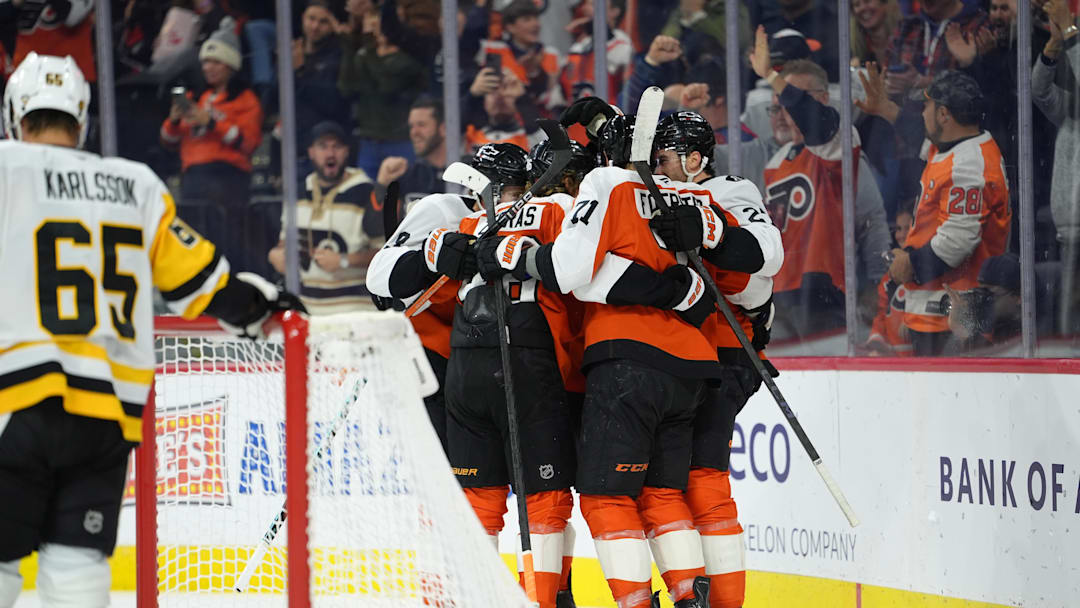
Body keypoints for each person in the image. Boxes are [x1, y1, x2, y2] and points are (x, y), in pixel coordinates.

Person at [0, 53, 299, 608]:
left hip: (14, 402)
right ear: (82, 117)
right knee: (77, 570)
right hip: (106, 418)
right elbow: (203, 287)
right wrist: (262, 302)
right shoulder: (133, 184)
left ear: (14, 114)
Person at [499, 104, 717, 608]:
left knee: (605, 496)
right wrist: (678, 289)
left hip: (628, 361)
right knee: (662, 494)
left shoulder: (606, 183)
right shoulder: (686, 193)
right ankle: (691, 598)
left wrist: (519, 256)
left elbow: (569, 271)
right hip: (690, 364)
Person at [431, 143, 579, 608]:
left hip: (465, 365)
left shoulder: (464, 226)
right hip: (525, 361)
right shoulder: (555, 208)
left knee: (477, 495)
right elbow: (575, 266)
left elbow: (431, 289)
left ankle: (477, 599)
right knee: (544, 498)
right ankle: (544, 599)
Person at [645, 110, 782, 608]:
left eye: (663, 159)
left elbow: (766, 260)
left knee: (700, 477)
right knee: (669, 481)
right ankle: (695, 595)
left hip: (724, 351)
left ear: (695, 159)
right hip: (682, 353)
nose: (656, 169)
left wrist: (711, 234)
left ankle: (718, 601)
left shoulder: (728, 190)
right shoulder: (652, 196)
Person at [748, 28, 890, 348]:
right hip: (777, 294)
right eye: (781, 100)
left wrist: (876, 281)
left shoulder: (839, 143)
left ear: (823, 99)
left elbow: (872, 220)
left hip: (824, 290)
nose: (789, 106)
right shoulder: (776, 161)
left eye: (794, 96)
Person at [881, 70, 1012, 356]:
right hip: (937, 313)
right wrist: (885, 109)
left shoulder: (970, 164)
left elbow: (956, 243)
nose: (921, 113)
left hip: (955, 319)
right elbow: (917, 132)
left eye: (926, 105)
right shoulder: (954, 146)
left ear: (943, 114)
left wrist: (910, 264)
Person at [160, 21, 264, 274]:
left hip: (228, 182)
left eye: (216, 62)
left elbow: (248, 143)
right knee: (194, 244)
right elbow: (167, 142)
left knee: (225, 245)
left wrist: (212, 123)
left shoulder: (246, 100)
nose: (208, 67)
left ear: (231, 65)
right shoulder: (197, 98)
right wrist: (174, 120)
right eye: (206, 62)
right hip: (193, 181)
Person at [268, 121, 383, 315]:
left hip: (357, 312)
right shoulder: (296, 194)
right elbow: (284, 244)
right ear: (311, 152)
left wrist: (344, 260)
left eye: (336, 146)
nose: (330, 154)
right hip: (306, 311)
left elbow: (386, 254)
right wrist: (275, 255)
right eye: (323, 146)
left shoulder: (368, 194)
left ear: (346, 151)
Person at [1032, 0, 1080, 333]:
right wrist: (1053, 45)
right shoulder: (1071, 113)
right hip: (1068, 237)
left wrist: (1072, 31)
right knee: (1070, 330)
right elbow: (1039, 90)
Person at [338, 4, 428, 178]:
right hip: (369, 140)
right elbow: (346, 88)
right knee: (369, 190)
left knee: (404, 188)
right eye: (370, 24)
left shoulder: (406, 59)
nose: (372, 30)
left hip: (399, 141)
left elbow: (386, 87)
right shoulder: (364, 55)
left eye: (376, 24)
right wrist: (349, 46)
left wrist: (368, 48)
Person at [290, 0, 351, 176]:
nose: (315, 26)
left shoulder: (338, 56)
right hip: (294, 149)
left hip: (327, 152)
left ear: (333, 25)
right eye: (311, 19)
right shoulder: (293, 51)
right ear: (303, 18)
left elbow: (333, 102)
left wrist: (300, 72)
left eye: (323, 22)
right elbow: (274, 98)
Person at [480, 0, 564, 114]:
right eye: (527, 19)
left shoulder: (552, 55)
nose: (535, 24)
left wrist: (536, 73)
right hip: (506, 121)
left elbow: (556, 102)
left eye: (536, 18)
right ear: (510, 27)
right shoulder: (494, 51)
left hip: (542, 121)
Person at [375, 97, 451, 208]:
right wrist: (382, 185)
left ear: (443, 128)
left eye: (421, 125)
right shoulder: (407, 176)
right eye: (411, 127)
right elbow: (379, 219)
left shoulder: (467, 172)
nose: (414, 132)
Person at [463, 66, 543, 153]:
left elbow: (542, 145)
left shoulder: (530, 136)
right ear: (484, 102)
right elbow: (454, 129)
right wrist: (472, 94)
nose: (500, 96)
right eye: (493, 90)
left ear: (517, 101)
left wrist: (522, 98)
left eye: (506, 88)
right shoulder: (470, 134)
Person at [851, 0, 902, 64]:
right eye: (857, 4)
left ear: (885, 3)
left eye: (868, 1)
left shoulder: (908, 38)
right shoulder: (852, 52)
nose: (862, 7)